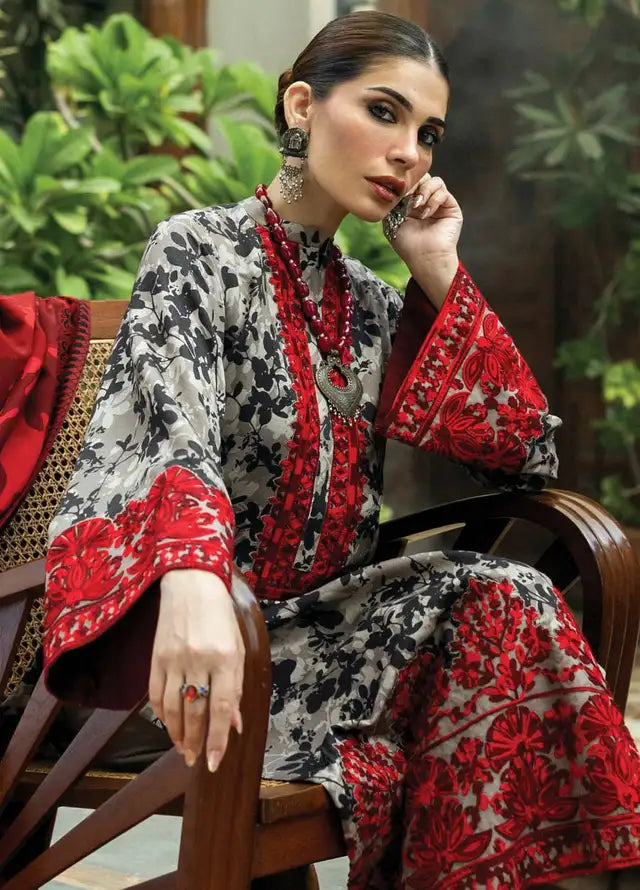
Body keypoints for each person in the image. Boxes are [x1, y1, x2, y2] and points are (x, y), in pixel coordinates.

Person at [43, 10, 640, 889]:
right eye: (384, 112)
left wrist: (436, 267)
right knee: (494, 612)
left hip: (330, 635)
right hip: (195, 647)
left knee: (506, 595)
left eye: (428, 134)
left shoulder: (368, 302)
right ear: (302, 107)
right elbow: (165, 431)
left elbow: (524, 457)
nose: (408, 153)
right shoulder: (199, 250)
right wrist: (192, 574)